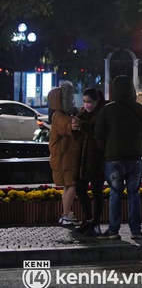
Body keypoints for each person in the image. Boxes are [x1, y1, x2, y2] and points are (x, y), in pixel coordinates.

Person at [95, 75, 142, 240]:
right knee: (134, 194)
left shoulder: (107, 110)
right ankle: (136, 230)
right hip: (135, 158)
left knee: (115, 194)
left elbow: (98, 134)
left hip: (113, 159)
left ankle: (114, 230)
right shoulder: (140, 110)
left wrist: (106, 149)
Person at [71, 88, 106, 236]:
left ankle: (95, 223)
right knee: (80, 188)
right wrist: (74, 127)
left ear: (97, 101)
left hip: (97, 157)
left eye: (89, 102)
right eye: (85, 101)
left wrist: (82, 126)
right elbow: (77, 134)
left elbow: (98, 134)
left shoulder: (102, 114)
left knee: (97, 191)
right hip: (83, 158)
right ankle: (88, 218)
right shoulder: (83, 113)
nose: (87, 105)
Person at [47, 81, 81, 226]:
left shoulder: (57, 115)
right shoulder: (61, 117)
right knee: (72, 184)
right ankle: (65, 214)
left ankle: (66, 214)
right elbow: (70, 127)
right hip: (64, 158)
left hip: (63, 157)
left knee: (68, 185)